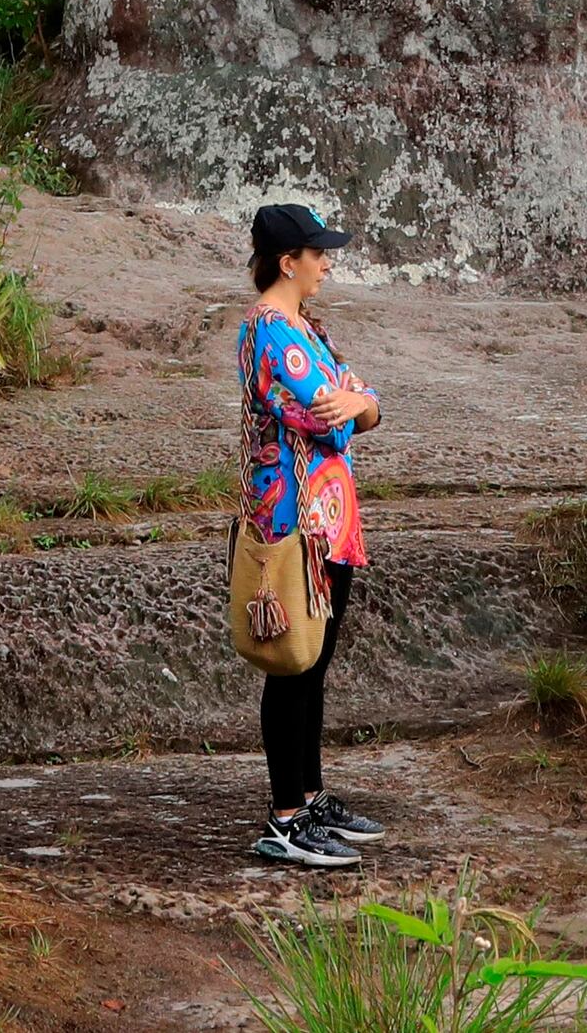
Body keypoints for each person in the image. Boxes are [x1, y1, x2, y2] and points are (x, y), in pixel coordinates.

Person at [237, 199, 388, 870]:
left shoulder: (307, 328)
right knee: (293, 665)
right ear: (287, 260)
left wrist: (358, 401)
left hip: (328, 520)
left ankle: (309, 793)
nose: (327, 261)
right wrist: (355, 403)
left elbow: (363, 403)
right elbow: (330, 416)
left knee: (316, 661)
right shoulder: (273, 333)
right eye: (317, 252)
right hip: (296, 522)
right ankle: (285, 818)